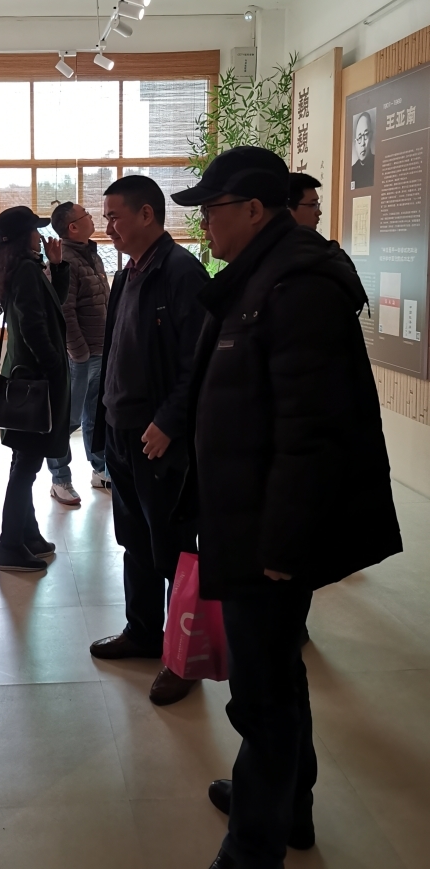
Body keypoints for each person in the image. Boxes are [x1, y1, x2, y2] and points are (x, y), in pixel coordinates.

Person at [170, 146, 403, 869]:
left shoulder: (297, 286)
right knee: (274, 676)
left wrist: (281, 546)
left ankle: (253, 847)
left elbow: (313, 432)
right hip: (248, 519)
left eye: (212, 210)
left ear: (252, 209)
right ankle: (289, 805)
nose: (205, 224)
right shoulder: (258, 276)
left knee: (263, 694)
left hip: (268, 535)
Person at [89, 175, 209, 706]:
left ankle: (184, 657)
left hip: (158, 437)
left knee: (175, 549)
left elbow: (197, 362)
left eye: (115, 217)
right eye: (106, 218)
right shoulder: (128, 274)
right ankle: (142, 632)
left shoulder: (181, 272)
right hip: (122, 431)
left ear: (146, 214)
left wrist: (170, 421)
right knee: (134, 540)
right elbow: (115, 352)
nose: (108, 227)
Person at [0, 205, 71, 572]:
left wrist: (58, 266)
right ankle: (9, 546)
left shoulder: (23, 268)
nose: (41, 235)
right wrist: (54, 367)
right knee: (26, 467)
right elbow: (36, 327)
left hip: (27, 379)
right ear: (24, 237)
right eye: (35, 230)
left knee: (24, 463)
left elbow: (53, 307)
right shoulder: (24, 271)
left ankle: (28, 535)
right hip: (35, 382)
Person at [45, 201, 111, 506]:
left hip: (101, 351)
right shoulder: (66, 262)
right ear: (73, 227)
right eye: (86, 215)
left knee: (95, 416)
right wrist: (80, 353)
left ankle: (100, 469)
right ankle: (60, 480)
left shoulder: (91, 254)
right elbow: (65, 313)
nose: (93, 218)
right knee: (67, 421)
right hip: (80, 357)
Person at [351, 110, 375, 189]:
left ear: (371, 136)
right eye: (359, 137)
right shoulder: (352, 171)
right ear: (355, 143)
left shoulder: (377, 164)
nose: (362, 143)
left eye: (366, 135)